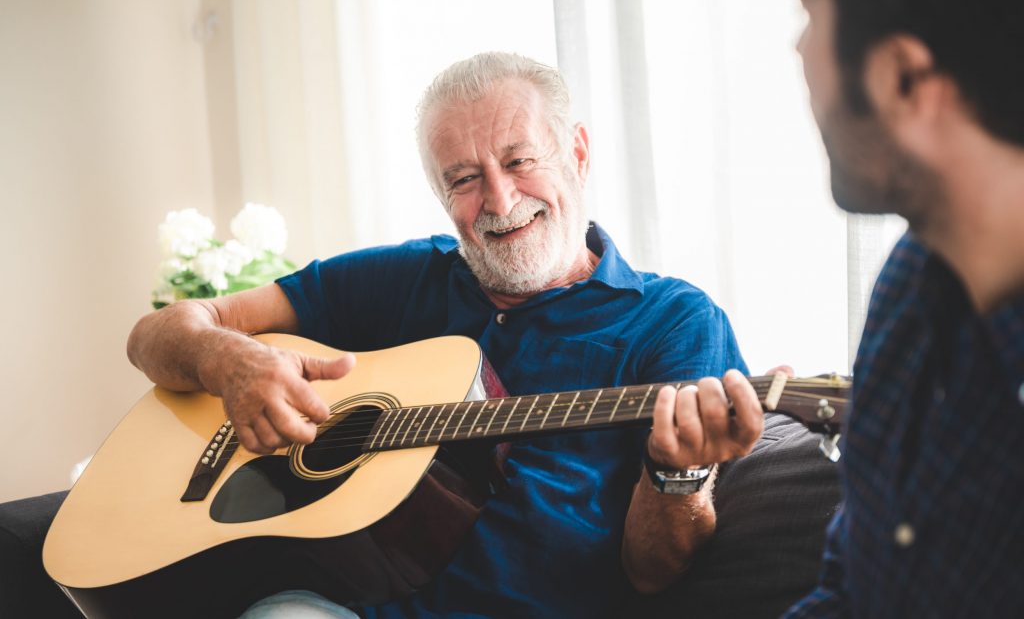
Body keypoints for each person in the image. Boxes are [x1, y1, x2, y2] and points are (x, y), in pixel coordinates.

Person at [0, 52, 766, 618]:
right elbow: (155, 334)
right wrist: (228, 361)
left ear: (578, 154)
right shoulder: (406, 277)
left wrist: (677, 477)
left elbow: (655, 572)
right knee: (22, 542)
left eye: (520, 160)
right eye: (463, 179)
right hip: (320, 593)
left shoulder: (674, 321)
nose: (499, 200)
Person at [780, 0, 1024, 616]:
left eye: (810, 11)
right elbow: (849, 588)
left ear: (902, 77)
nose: (798, 52)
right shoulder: (908, 284)